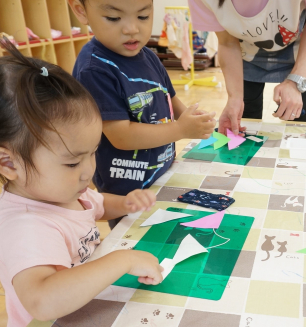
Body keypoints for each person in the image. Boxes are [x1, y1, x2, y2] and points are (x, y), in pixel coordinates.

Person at [0, 37, 164, 327]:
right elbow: (43, 301)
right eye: (73, 162)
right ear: (8, 163)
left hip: (85, 316)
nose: (88, 170)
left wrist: (126, 203)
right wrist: (122, 261)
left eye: (93, 152)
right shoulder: (23, 226)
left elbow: (98, 205)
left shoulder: (62, 191)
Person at [68, 0, 216, 227]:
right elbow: (122, 136)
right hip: (127, 193)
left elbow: (169, 98)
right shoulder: (94, 69)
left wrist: (192, 119)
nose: (132, 29)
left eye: (143, 16)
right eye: (114, 18)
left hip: (161, 175)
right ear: (81, 11)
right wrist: (180, 130)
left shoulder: (148, 55)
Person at [189, 0, 306, 134]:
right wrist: (235, 97)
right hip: (245, 51)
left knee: (300, 122)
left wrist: (296, 80)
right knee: (244, 118)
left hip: (301, 45)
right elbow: (227, 42)